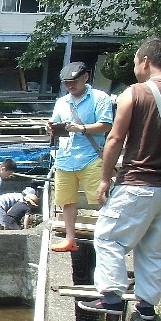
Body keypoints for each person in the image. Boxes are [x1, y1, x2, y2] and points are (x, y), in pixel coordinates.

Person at [80, 37, 161, 320]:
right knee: (158, 247)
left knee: (108, 237)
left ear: (146, 61)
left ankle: (112, 297)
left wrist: (105, 178)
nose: (136, 68)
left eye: (137, 62)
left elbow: (115, 138)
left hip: (137, 183)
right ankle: (146, 306)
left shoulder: (134, 94)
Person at [47, 62, 115, 253]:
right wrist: (51, 127)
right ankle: (70, 238)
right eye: (66, 83)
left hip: (91, 156)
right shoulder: (61, 102)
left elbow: (106, 124)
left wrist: (82, 128)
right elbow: (56, 124)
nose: (70, 86)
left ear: (86, 77)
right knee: (67, 201)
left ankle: (107, 238)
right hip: (65, 158)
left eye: (73, 82)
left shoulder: (100, 98)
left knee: (101, 198)